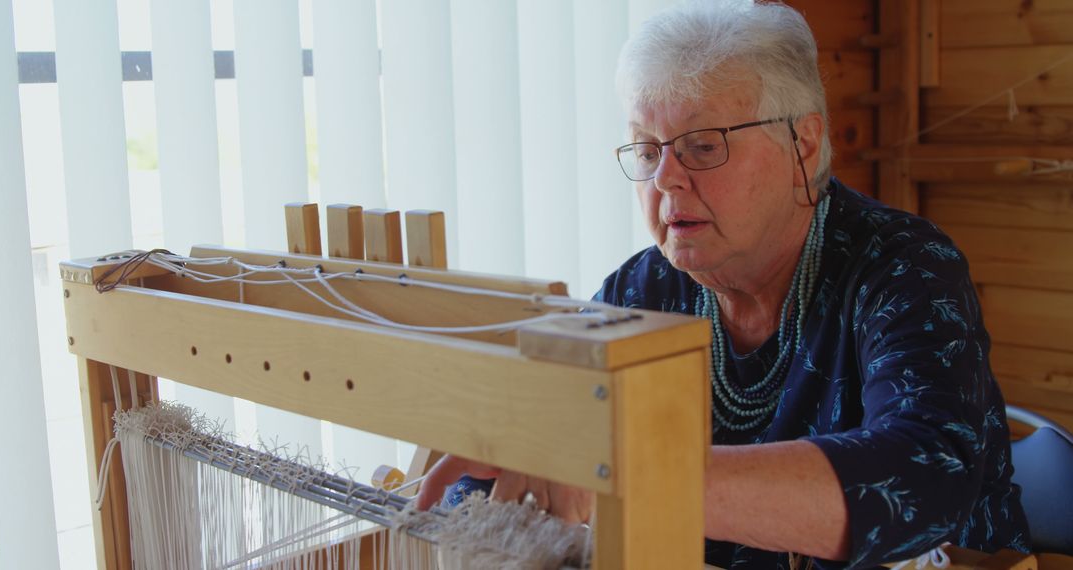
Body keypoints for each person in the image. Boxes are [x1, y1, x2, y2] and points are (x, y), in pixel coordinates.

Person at [417, 1, 1030, 567]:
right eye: (648, 149)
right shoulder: (642, 291)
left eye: (703, 146)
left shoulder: (905, 268)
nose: (667, 180)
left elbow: (924, 478)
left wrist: (630, 475)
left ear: (803, 144)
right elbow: (528, 453)